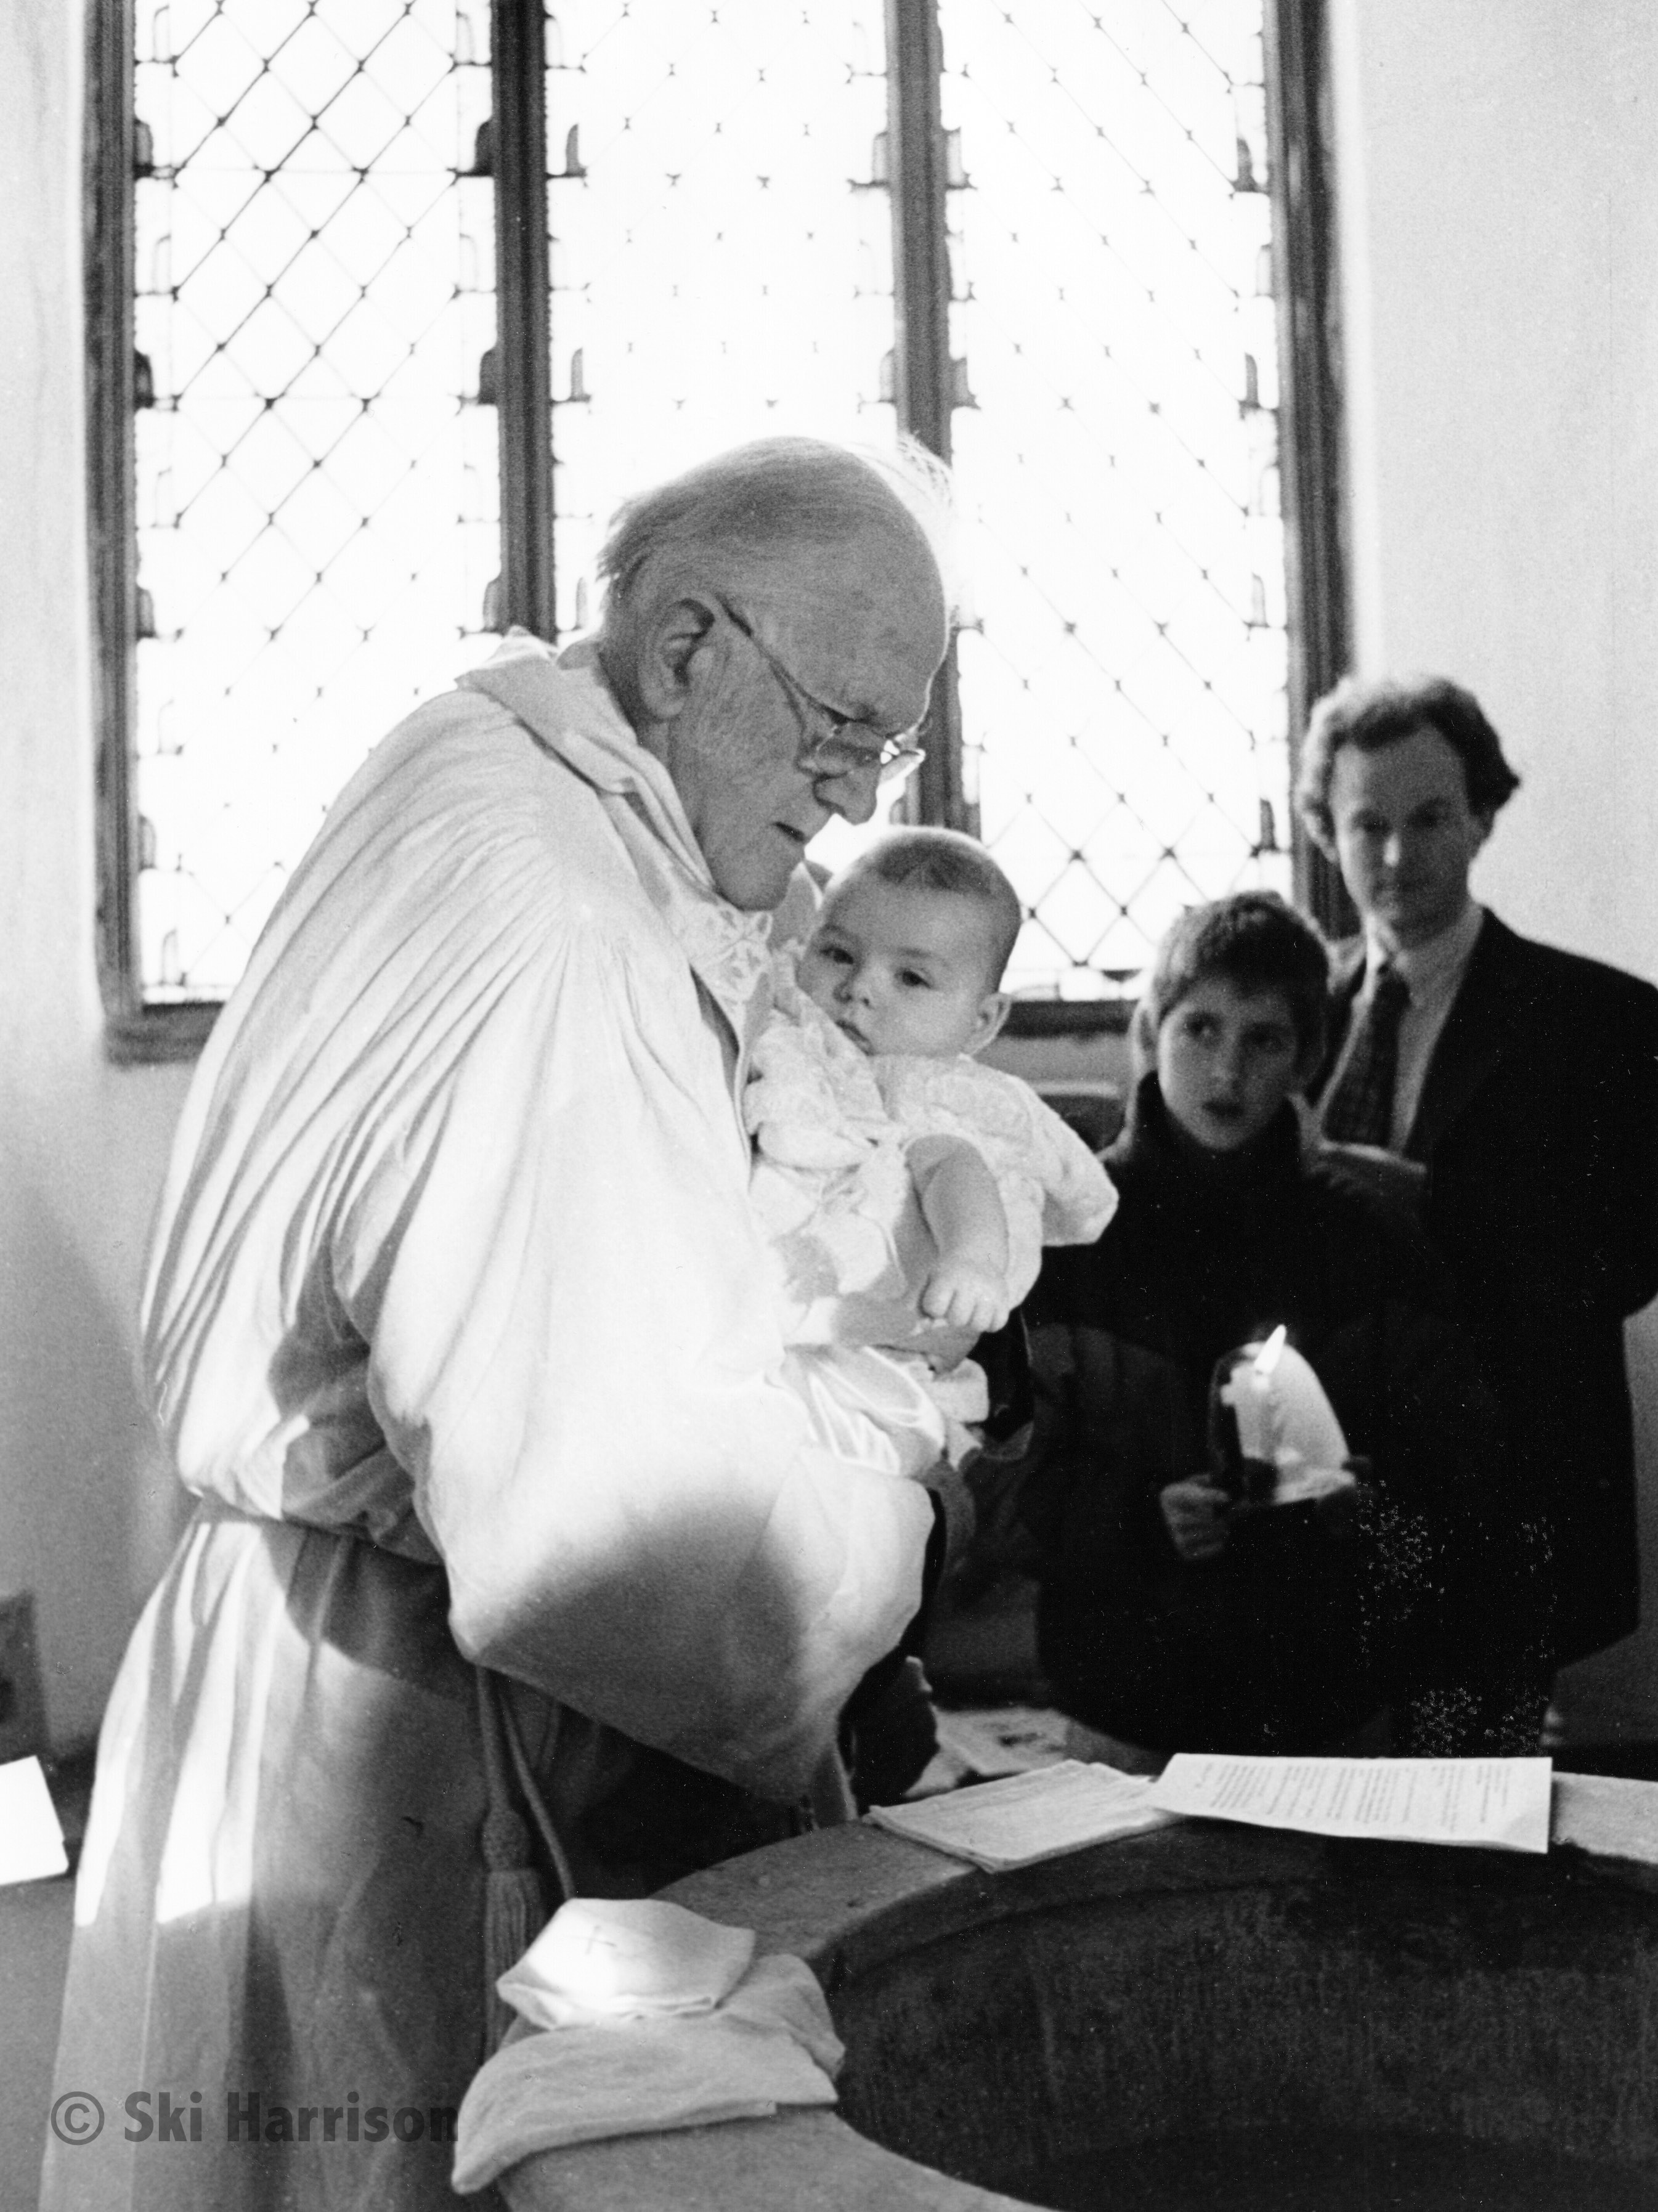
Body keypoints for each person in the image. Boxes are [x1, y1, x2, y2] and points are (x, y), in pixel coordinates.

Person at [42, 438, 957, 2212]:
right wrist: (909, 1503)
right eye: (840, 725)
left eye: (886, 748)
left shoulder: (483, 768)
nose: (851, 797)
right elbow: (609, 1527)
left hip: (332, 1648)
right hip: (393, 1715)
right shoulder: (553, 904)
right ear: (689, 646)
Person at [1020, 894, 1505, 1768]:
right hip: (1128, 1703)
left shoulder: (1368, 1241)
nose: (1227, 1070)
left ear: (1306, 1056)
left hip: (1323, 1698)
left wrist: (1368, 1501)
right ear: (1149, 1032)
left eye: (1263, 1039)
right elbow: (1015, 1474)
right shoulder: (1072, 1237)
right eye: (1199, 1029)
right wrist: (1141, 1518)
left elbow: (1459, 1462)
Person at [1298, 674, 1658, 1716]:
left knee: (1475, 1831)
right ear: (1326, 832)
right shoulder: (1288, 1015)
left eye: (1431, 818)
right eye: (1368, 824)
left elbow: (1625, 1263)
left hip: (1507, 1497)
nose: (1398, 857)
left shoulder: (1603, 1023)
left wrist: (1415, 1198)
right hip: (1319, 1508)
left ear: (1484, 816)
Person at [746, 827, 1117, 1481]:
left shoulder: (926, 1088)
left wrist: (972, 1259)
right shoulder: (793, 1028)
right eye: (838, 953)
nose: (860, 988)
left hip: (875, 1353)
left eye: (911, 977)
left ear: (981, 1022)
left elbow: (953, 1167)